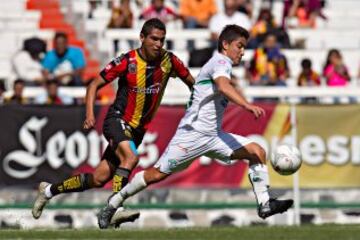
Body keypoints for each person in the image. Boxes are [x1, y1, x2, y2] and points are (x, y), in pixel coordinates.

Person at [97, 24, 293, 229]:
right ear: (225, 45)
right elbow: (223, 87)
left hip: (214, 136)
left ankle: (264, 204)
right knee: (155, 175)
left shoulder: (221, 65)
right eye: (239, 46)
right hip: (192, 135)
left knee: (256, 151)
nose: (242, 52)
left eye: (244, 47)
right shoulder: (221, 61)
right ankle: (112, 204)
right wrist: (246, 105)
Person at [32, 18, 195, 224]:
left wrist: (197, 105)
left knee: (99, 178)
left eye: (162, 40)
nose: (158, 44)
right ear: (142, 38)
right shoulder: (127, 61)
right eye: (154, 39)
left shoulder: (169, 61)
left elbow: (193, 84)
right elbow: (93, 85)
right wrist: (90, 114)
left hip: (137, 131)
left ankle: (47, 191)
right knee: (131, 158)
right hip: (117, 119)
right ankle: (116, 208)